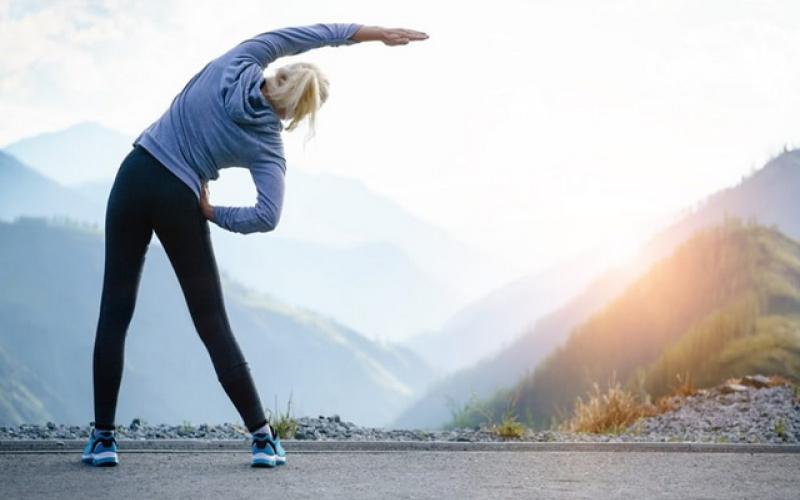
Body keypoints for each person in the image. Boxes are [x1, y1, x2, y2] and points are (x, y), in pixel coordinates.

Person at [81, 23, 428, 468]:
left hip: (135, 173)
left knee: (115, 312)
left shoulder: (242, 58)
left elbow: (314, 33)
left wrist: (373, 33)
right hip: (180, 198)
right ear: (299, 112)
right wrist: (213, 212)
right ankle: (263, 439)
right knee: (211, 322)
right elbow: (268, 215)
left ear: (281, 70)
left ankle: (103, 440)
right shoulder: (268, 144)